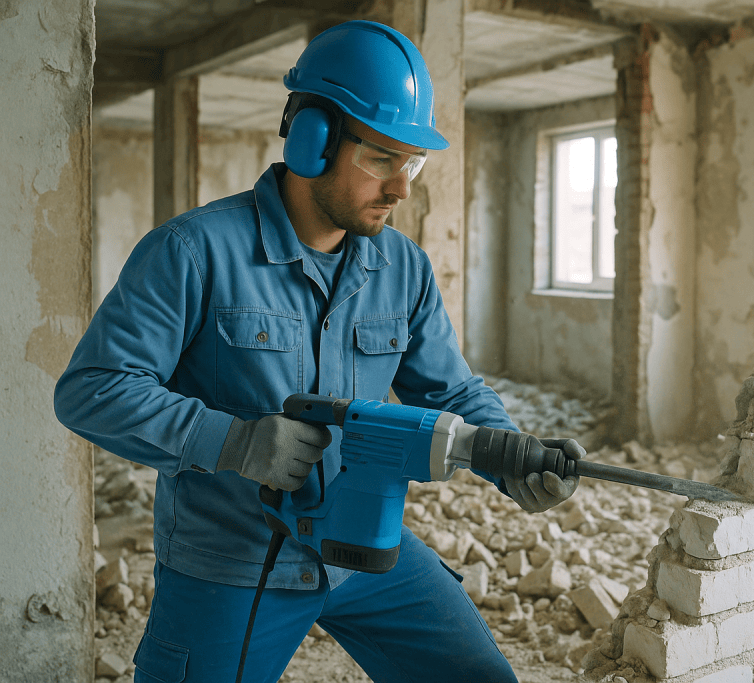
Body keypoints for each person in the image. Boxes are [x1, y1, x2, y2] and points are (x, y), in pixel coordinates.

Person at [54, 20, 584, 683]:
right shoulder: (194, 252)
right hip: (237, 559)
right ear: (313, 139)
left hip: (364, 547)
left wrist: (510, 454)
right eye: (382, 159)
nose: (401, 189)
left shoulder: (404, 268)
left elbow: (447, 389)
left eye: (412, 162)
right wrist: (233, 440)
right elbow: (91, 388)